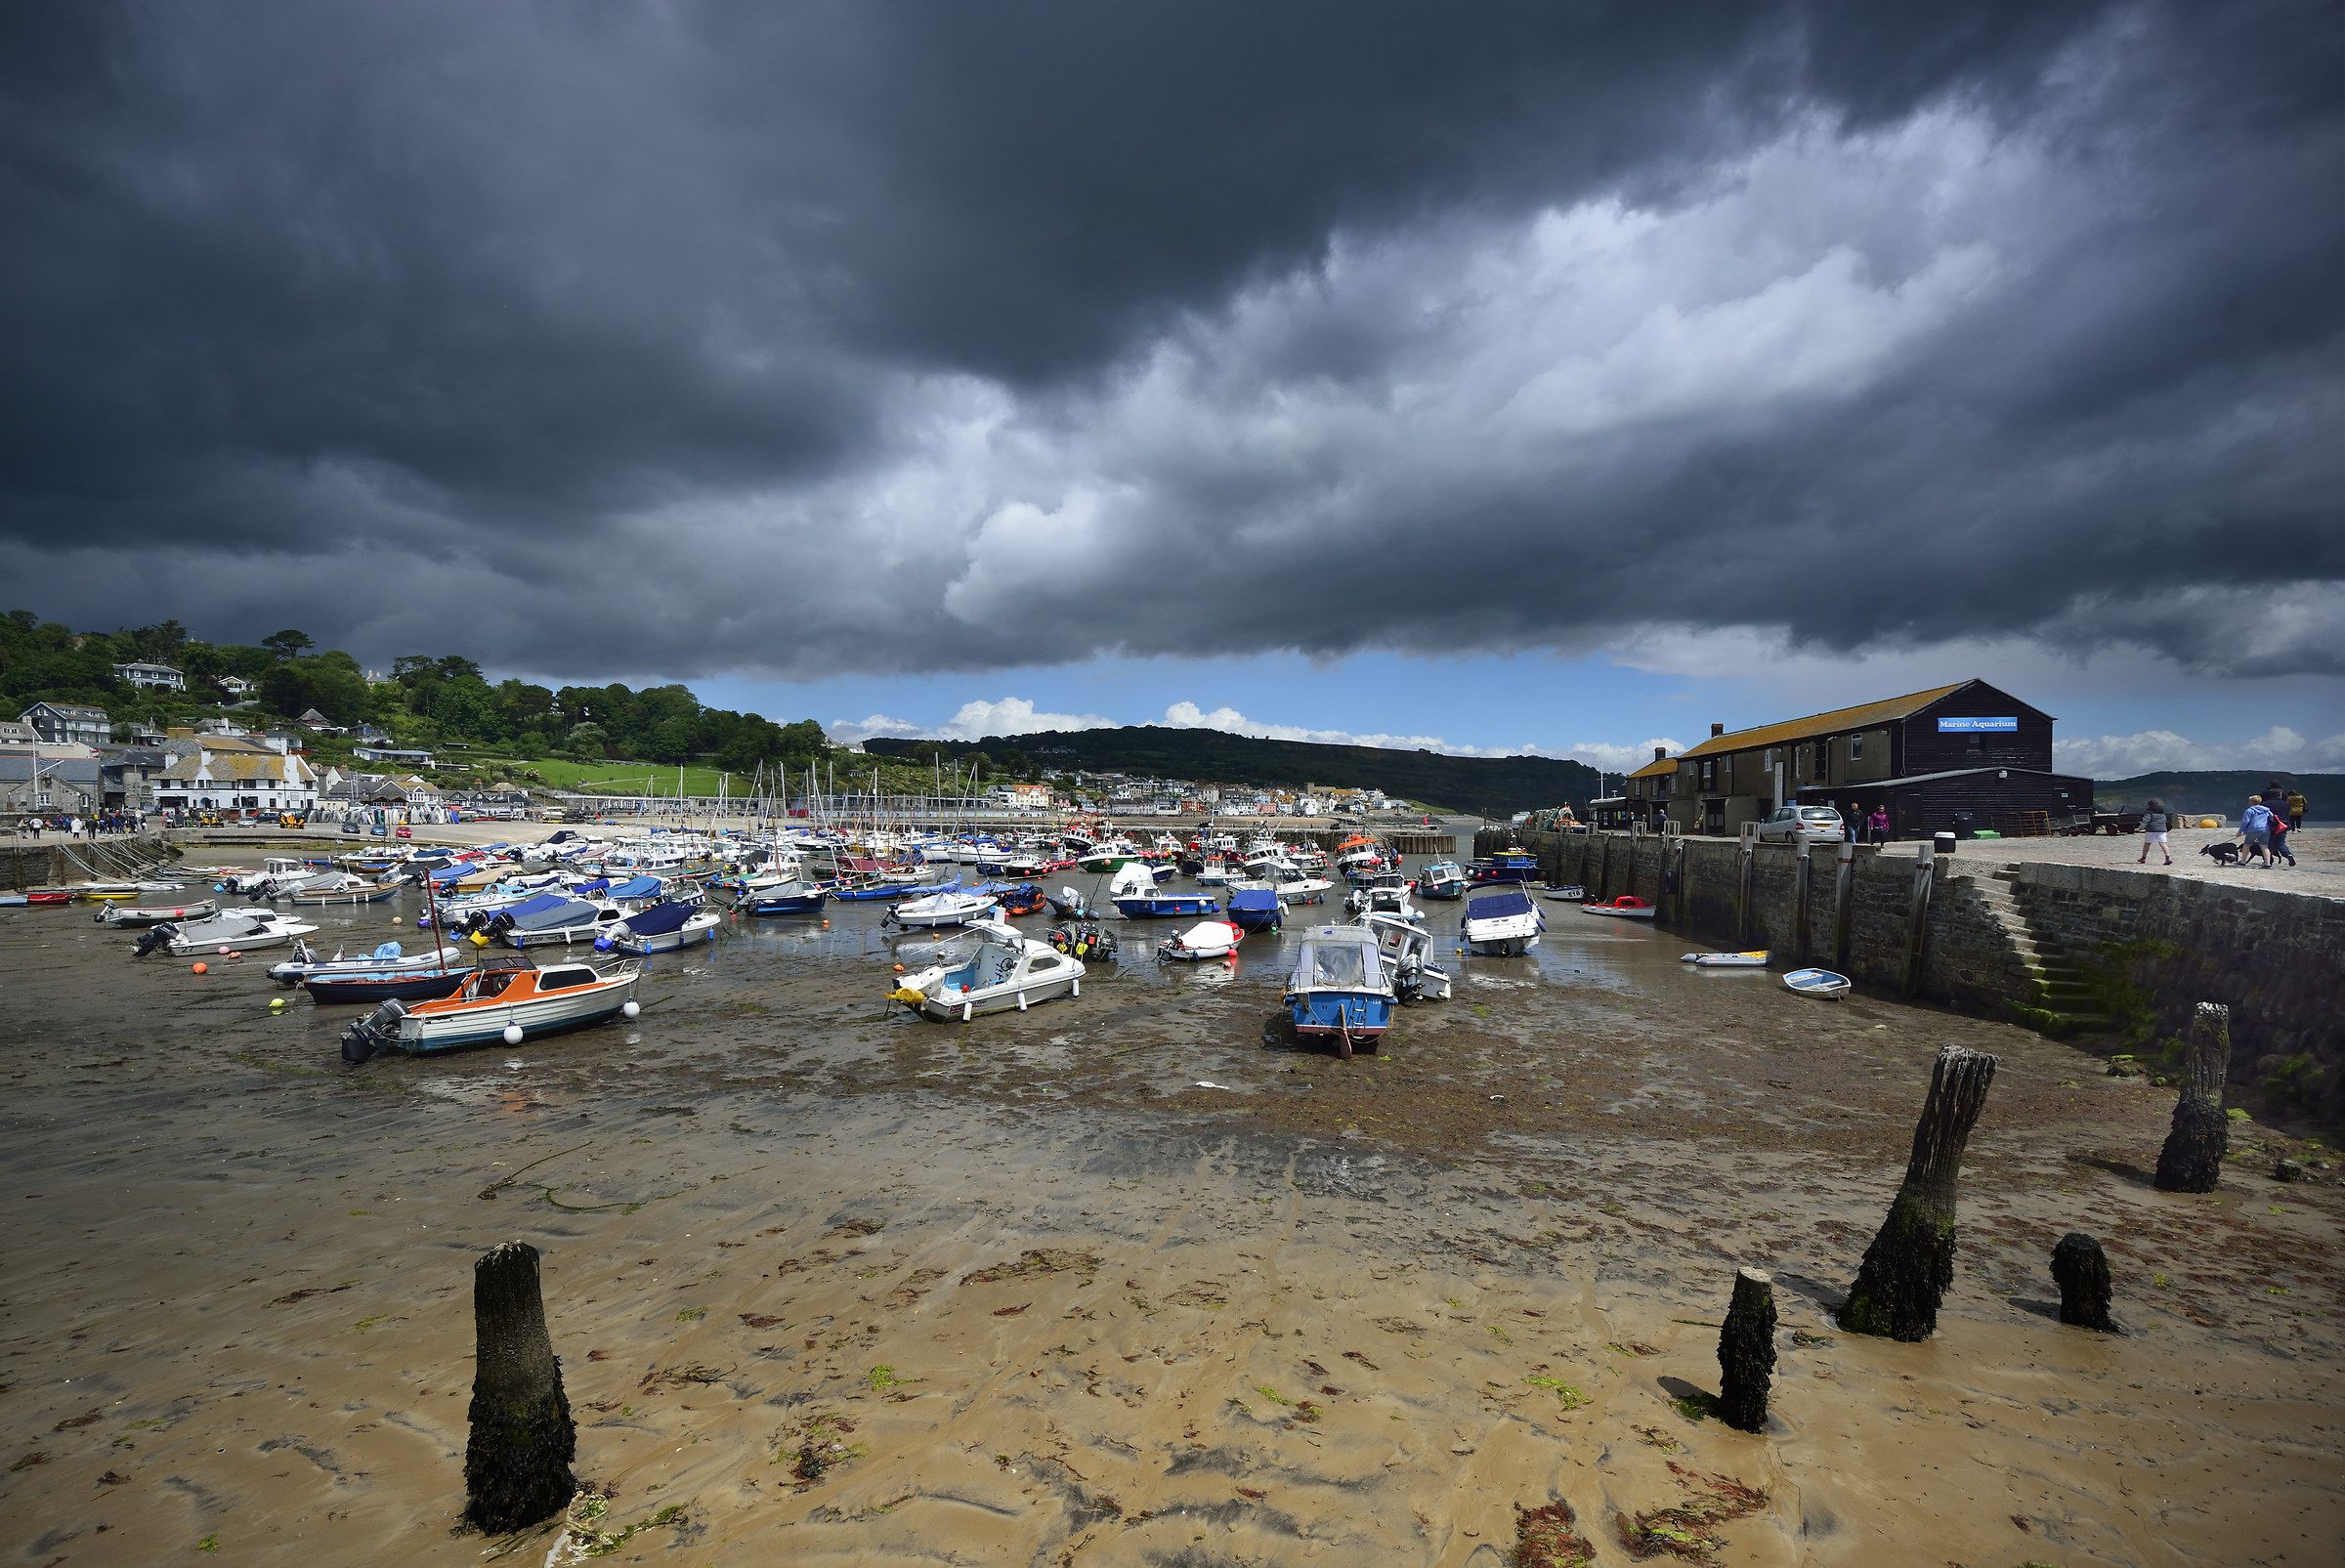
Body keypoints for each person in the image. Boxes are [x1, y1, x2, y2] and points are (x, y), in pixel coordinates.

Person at [2238, 796, 2274, 867]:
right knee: (2264, 847)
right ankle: (2267, 863)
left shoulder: (2249, 810)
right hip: (2265, 829)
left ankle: (2243, 862)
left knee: (2246, 845)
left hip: (2253, 829)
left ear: (2251, 802)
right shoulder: (2267, 810)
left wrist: (2240, 832)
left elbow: (2245, 822)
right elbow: (2272, 817)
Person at [2139, 798, 2172, 865]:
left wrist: (2139, 828)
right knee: (2163, 844)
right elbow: (2165, 822)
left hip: (2151, 830)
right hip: (2162, 830)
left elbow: (2145, 821)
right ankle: (2168, 858)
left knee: (2147, 844)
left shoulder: (2149, 813)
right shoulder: (2162, 814)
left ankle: (2143, 858)